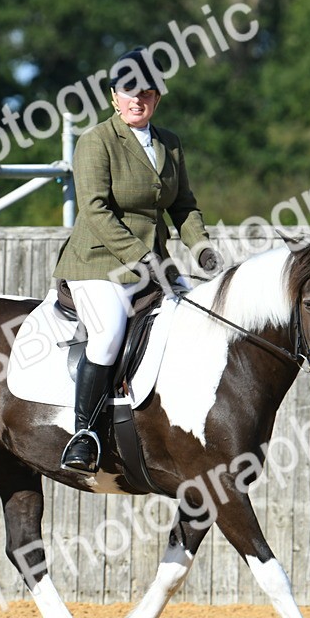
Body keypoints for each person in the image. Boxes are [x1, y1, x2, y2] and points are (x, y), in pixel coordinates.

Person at [53, 47, 223, 473]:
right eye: (129, 92)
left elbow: (182, 206)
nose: (137, 100)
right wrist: (145, 258)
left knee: (201, 316)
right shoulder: (96, 142)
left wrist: (201, 246)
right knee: (109, 334)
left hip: (155, 264)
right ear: (114, 97)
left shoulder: (170, 143)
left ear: (157, 98)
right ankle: (84, 434)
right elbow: (95, 212)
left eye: (146, 93)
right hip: (98, 263)